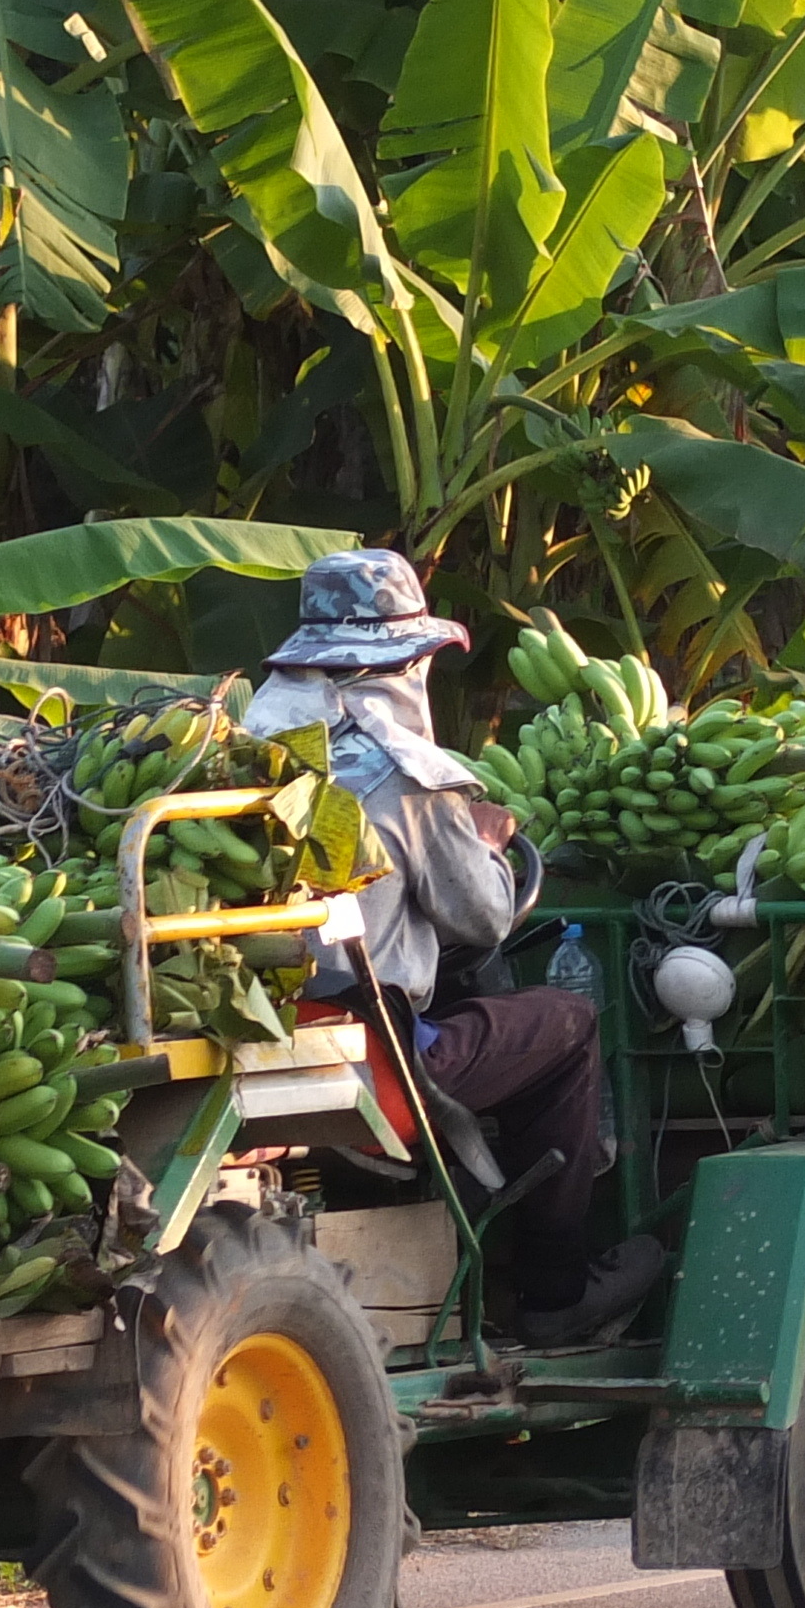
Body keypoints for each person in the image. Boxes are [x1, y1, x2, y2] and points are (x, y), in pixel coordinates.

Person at [240, 550, 668, 1344]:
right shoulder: (403, 774)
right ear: (406, 663)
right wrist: (489, 839)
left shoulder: (246, 731)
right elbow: (482, 916)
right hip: (368, 1054)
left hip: (258, 1031)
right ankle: (553, 1295)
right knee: (566, 1021)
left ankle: (492, 1259)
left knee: (482, 1013)